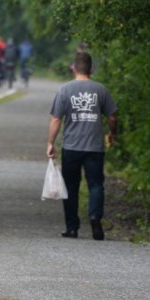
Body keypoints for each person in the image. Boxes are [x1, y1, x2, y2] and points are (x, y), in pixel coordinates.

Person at [47, 51, 117, 241]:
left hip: (71, 146)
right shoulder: (101, 90)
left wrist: (51, 143)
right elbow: (112, 117)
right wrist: (112, 134)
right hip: (95, 147)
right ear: (91, 69)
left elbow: (56, 119)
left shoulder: (64, 90)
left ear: (74, 69)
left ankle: (72, 228)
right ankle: (95, 217)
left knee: (71, 186)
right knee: (95, 184)